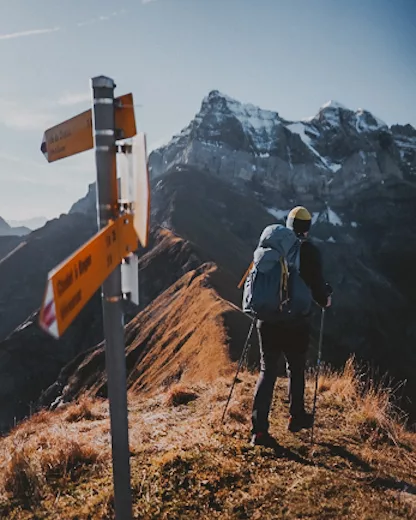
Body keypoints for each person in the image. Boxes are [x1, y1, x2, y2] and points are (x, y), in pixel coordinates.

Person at [250, 206, 332, 447]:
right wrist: (326, 298)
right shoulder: (308, 251)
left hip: (267, 320)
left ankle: (259, 431)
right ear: (307, 228)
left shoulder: (270, 247)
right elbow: (317, 289)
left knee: (267, 371)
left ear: (287, 225)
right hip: (295, 321)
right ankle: (296, 417)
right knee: (296, 368)